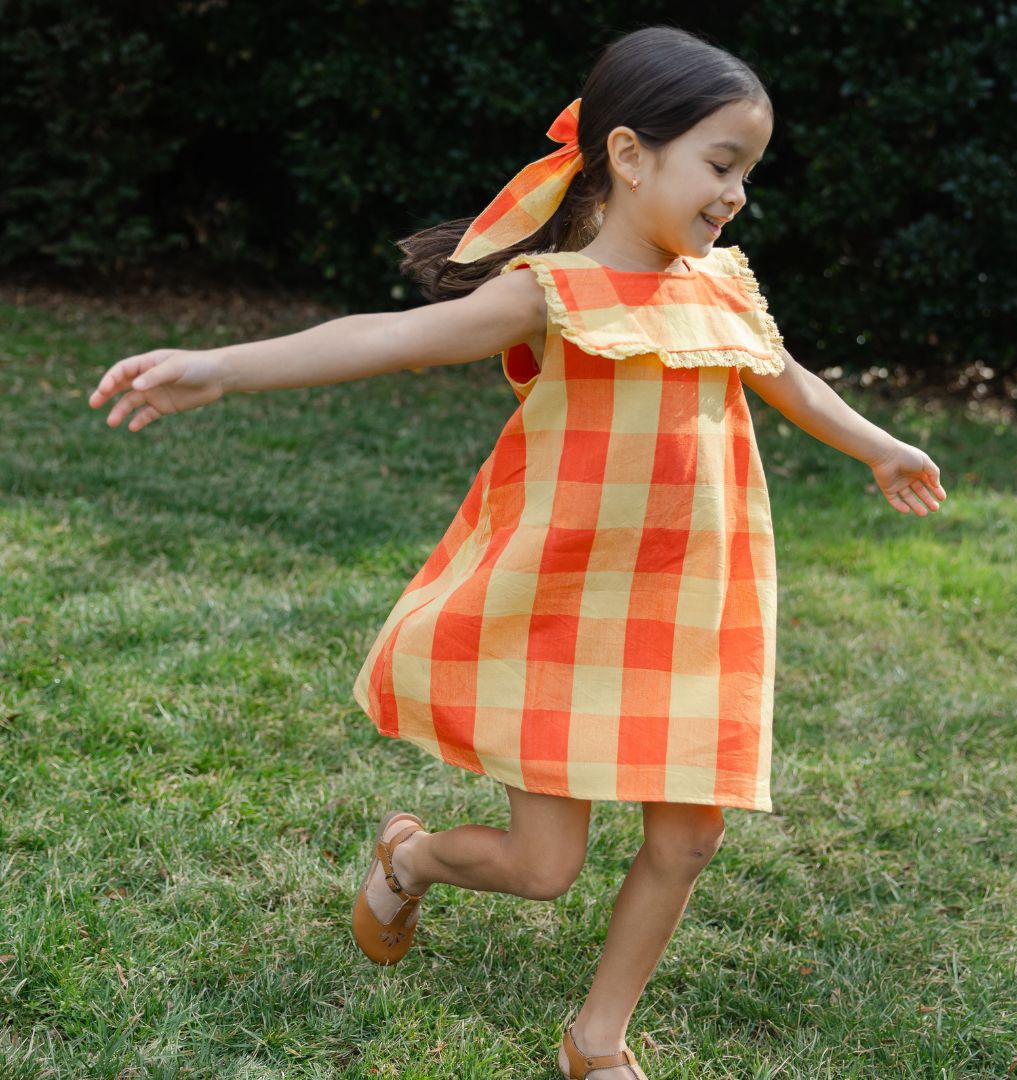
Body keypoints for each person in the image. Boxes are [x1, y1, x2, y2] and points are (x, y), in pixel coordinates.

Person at [88, 24, 947, 1080]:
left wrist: (879, 446)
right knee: (545, 870)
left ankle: (597, 1042)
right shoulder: (553, 293)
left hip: (693, 609)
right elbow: (387, 338)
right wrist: (223, 367)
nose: (735, 196)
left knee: (687, 842)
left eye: (747, 175)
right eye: (720, 166)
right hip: (567, 611)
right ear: (631, 156)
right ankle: (411, 858)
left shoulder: (721, 287)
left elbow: (789, 379)